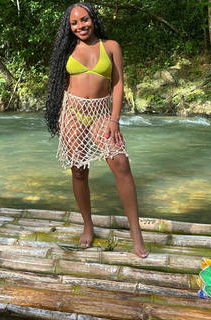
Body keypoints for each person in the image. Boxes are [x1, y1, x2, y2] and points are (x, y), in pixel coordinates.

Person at [45, 2, 149, 258]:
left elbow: (117, 84)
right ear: (69, 27)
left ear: (93, 19)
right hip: (72, 112)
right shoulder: (66, 50)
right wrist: (59, 115)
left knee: (121, 164)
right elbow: (59, 84)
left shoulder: (110, 46)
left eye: (84, 20)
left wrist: (114, 120)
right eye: (74, 22)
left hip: (101, 113)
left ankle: (136, 233)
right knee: (79, 171)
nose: (80, 26)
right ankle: (88, 225)